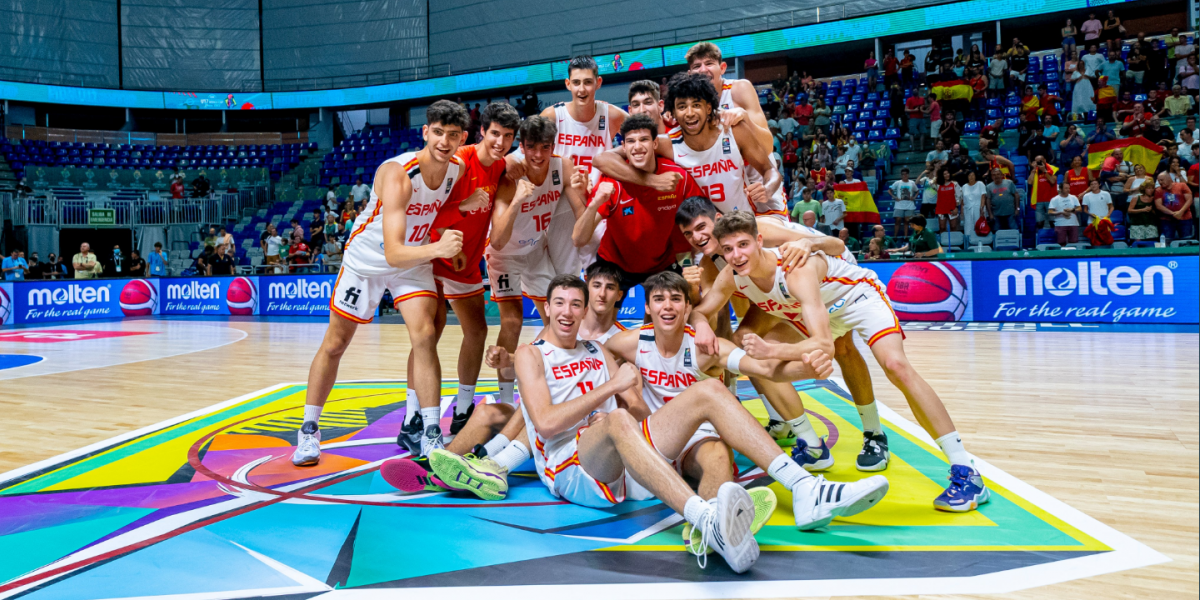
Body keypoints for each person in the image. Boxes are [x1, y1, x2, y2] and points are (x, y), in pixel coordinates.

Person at [513, 275, 888, 573]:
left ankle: (798, 491)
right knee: (618, 418)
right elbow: (544, 423)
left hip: (636, 457)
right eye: (560, 303)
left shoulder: (604, 348)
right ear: (546, 308)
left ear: (584, 311)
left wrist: (811, 364)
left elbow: (764, 369)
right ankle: (706, 518)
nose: (567, 311)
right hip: (573, 465)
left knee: (709, 404)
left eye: (575, 304)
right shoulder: (546, 352)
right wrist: (614, 391)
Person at [696, 212, 983, 512]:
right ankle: (812, 444)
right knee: (749, 352)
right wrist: (702, 323)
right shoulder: (730, 274)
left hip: (856, 300)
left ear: (758, 240)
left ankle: (966, 470)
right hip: (813, 313)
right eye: (728, 249)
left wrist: (771, 351)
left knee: (896, 367)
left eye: (743, 245)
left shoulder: (794, 266)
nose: (736, 255)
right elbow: (701, 311)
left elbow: (823, 345)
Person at [293, 100, 486, 468]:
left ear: (462, 138)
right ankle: (309, 430)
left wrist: (456, 218)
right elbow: (394, 251)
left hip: (412, 264)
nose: (445, 142)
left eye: (454, 135)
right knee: (336, 344)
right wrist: (441, 246)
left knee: (425, 336)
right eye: (439, 133)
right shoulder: (398, 173)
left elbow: (435, 212)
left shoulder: (457, 168)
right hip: (369, 261)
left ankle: (431, 433)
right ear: (425, 132)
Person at [389, 261, 632, 497]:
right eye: (597, 286)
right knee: (489, 412)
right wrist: (508, 360)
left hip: (580, 421)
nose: (602, 293)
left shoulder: (617, 341)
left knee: (544, 410)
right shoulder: (559, 326)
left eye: (609, 288)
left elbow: (627, 393)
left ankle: (486, 462)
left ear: (618, 295)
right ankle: (444, 464)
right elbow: (536, 368)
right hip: (541, 411)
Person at [426, 102, 524, 426]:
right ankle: (417, 416)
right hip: (431, 256)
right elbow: (426, 211)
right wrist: (464, 206)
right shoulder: (457, 161)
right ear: (483, 131)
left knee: (478, 331)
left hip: (465, 263)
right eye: (495, 133)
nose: (500, 142)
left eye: (508, 136)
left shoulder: (500, 168)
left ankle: (463, 407)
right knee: (429, 333)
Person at [486, 115, 588, 406]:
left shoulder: (562, 166)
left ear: (553, 145)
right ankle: (506, 398)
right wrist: (518, 199)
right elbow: (497, 241)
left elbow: (580, 213)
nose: (539, 155)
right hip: (505, 256)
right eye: (532, 147)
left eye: (545, 147)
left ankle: (554, 381)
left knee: (556, 317)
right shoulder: (511, 174)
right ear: (522, 146)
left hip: (535, 251)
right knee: (512, 320)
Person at [507, 56, 629, 280]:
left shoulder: (610, 115)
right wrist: (511, 162)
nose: (582, 89)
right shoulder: (554, 116)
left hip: (598, 202)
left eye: (588, 82)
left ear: (598, 83)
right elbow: (526, 150)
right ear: (568, 84)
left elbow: (642, 137)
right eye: (576, 82)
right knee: (566, 277)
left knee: (604, 273)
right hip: (562, 202)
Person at [573, 114, 704, 289]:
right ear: (623, 147)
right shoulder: (612, 181)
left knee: (682, 299)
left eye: (644, 140)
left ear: (655, 144)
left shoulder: (676, 177)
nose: (637, 147)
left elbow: (699, 219)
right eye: (631, 141)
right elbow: (579, 239)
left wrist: (689, 266)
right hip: (615, 262)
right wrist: (594, 204)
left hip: (663, 262)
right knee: (599, 313)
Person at [1154, 172, 1195, 240]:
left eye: (1162, 180)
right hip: (1166, 220)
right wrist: (1173, 213)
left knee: (1187, 241)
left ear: (1169, 178)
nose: (1160, 182)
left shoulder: (1182, 185)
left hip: (1185, 218)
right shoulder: (1158, 190)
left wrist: (1180, 212)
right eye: (1158, 180)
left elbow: (1189, 200)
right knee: (1167, 241)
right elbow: (1158, 206)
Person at [960, 170, 988, 236]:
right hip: (967, 210)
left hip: (979, 209)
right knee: (968, 229)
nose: (971, 177)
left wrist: (982, 208)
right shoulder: (964, 187)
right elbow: (962, 200)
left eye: (973, 175)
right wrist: (962, 213)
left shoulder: (980, 184)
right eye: (969, 175)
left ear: (975, 176)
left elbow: (983, 197)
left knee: (979, 227)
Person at [933, 167, 960, 233]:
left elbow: (958, 196)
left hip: (952, 208)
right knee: (942, 228)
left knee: (953, 227)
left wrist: (956, 207)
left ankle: (954, 242)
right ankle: (942, 243)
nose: (947, 175)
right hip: (941, 209)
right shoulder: (938, 185)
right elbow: (931, 182)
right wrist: (936, 174)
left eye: (948, 173)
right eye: (945, 174)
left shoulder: (955, 184)